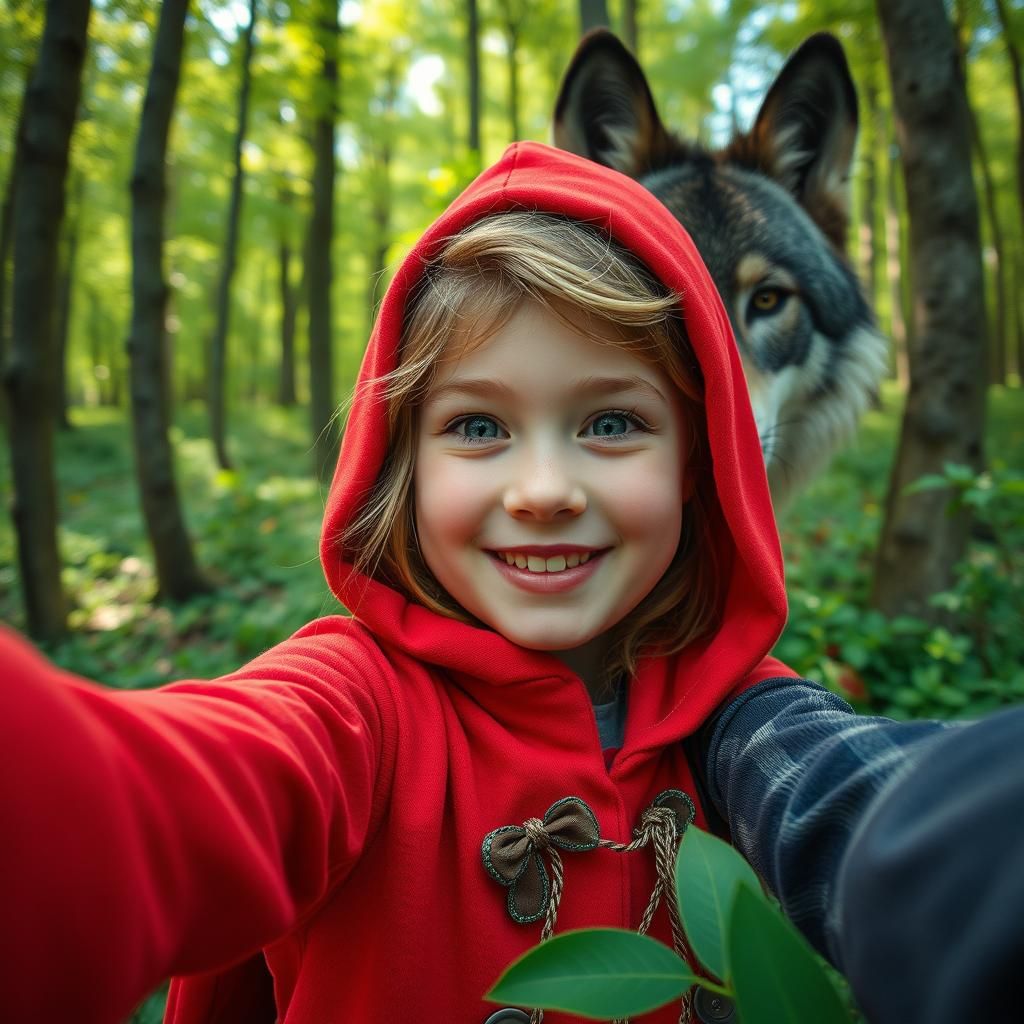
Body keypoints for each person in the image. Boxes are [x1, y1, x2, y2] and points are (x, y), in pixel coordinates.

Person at [0, 141, 1020, 1024]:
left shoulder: (740, 721)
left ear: (698, 462)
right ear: (400, 465)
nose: (542, 490)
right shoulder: (353, 709)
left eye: (611, 421)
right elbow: (175, 797)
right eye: (477, 426)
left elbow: (852, 801)